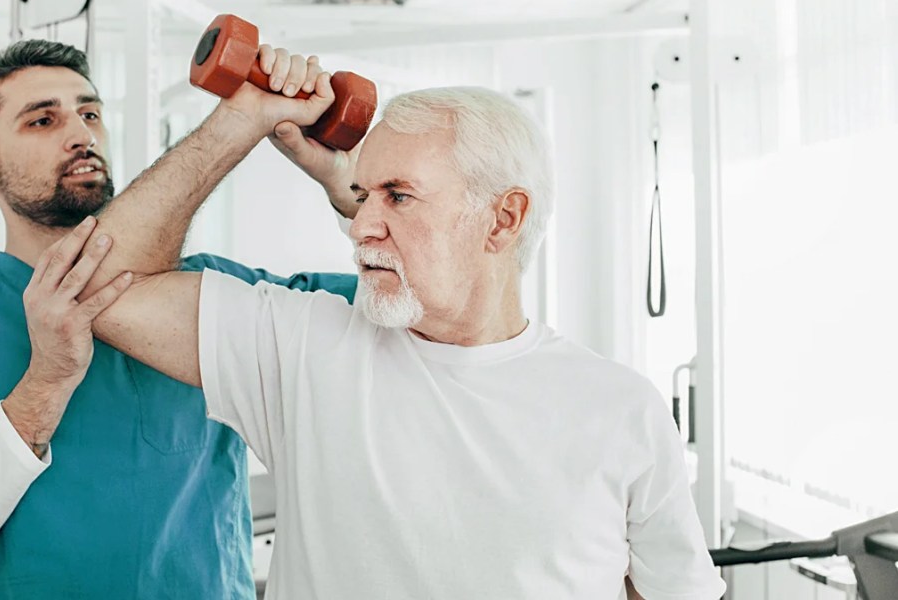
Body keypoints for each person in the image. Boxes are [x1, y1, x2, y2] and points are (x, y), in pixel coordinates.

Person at [68, 87, 728, 599]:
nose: (361, 226)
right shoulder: (304, 348)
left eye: (398, 196)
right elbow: (94, 284)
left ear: (503, 218)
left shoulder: (619, 410)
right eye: (360, 195)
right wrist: (243, 117)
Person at [0, 39, 358, 598]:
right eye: (42, 120)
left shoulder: (212, 292)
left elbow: (407, 318)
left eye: (90, 113)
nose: (82, 134)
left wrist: (349, 189)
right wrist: (46, 382)